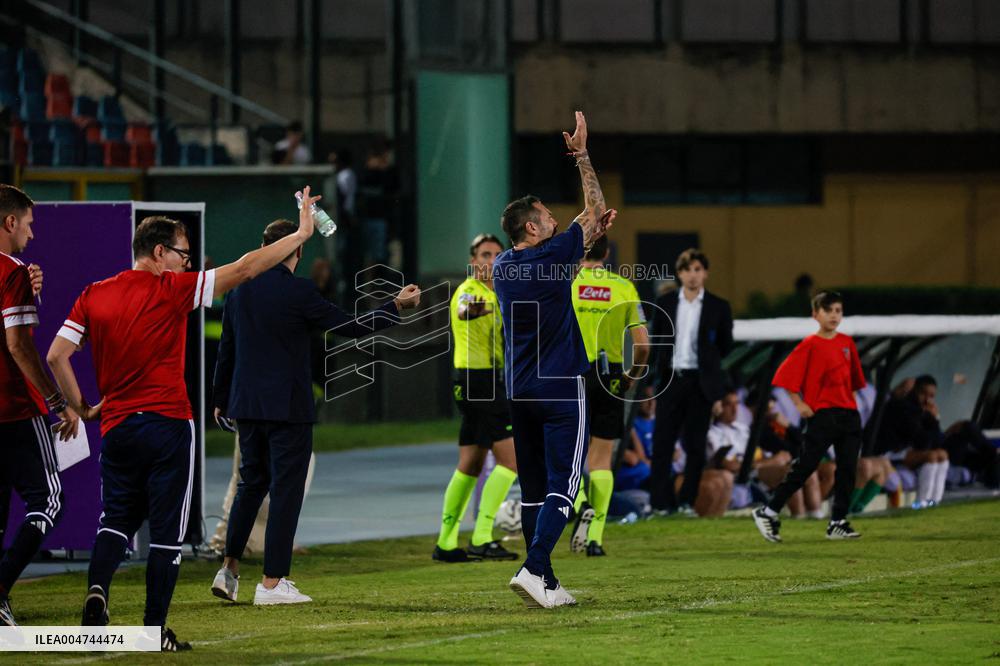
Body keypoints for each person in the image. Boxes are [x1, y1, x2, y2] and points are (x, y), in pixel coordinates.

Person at [46, 186, 324, 650]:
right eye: (182, 253)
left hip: (117, 426)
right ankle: (154, 631)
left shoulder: (94, 294)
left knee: (115, 520)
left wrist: (80, 407)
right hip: (168, 423)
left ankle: (97, 594)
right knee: (167, 535)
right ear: (159, 252)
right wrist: (300, 232)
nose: (187, 262)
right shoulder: (171, 288)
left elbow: (57, 356)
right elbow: (245, 268)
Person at [210, 219, 420, 605]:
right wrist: (395, 306)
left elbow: (227, 348)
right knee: (286, 491)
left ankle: (229, 569)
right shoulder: (298, 291)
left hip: (247, 404)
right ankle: (273, 583)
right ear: (299, 250)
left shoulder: (238, 291)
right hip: (287, 407)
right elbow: (349, 326)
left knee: (250, 485)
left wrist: (221, 398)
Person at [493, 111, 615, 609]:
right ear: (531, 225)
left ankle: (543, 581)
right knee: (566, 485)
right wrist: (582, 155)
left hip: (519, 387)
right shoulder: (556, 253)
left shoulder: (502, 265)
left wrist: (581, 235)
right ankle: (533, 567)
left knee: (533, 489)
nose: (554, 219)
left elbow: (586, 223)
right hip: (562, 384)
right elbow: (597, 209)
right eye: (546, 215)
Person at [0, 184, 80, 627]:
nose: (31, 234)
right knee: (48, 499)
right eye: (28, 224)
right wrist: (57, 400)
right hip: (15, 406)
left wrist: (32, 295)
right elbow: (17, 344)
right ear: (10, 222)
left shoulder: (16, 276)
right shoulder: (11, 271)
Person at [752, 291, 866, 543]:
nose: (834, 315)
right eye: (828, 310)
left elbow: (856, 382)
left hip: (848, 415)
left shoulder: (847, 344)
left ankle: (837, 521)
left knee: (848, 469)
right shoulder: (808, 345)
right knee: (805, 467)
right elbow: (783, 377)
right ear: (816, 314)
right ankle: (768, 511)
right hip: (822, 416)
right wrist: (799, 404)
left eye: (838, 310)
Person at [433, 233, 519, 563]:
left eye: (498, 255)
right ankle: (482, 537)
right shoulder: (469, 291)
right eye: (485, 254)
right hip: (478, 381)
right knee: (512, 461)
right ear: (473, 261)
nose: (492, 260)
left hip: (475, 382)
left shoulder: (493, 292)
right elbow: (466, 310)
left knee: (470, 464)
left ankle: (446, 541)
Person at [569, 234, 649, 556]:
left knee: (562, 454)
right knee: (601, 459)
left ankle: (581, 504)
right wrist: (631, 375)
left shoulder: (567, 283)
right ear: (607, 253)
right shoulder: (623, 287)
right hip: (611, 375)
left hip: (571, 373)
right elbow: (643, 346)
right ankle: (596, 539)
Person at [648, 249, 733, 515]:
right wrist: (653, 381)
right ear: (680, 273)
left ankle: (686, 501)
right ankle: (660, 504)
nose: (693, 275)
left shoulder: (719, 307)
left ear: (705, 273)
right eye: (688, 270)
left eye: (698, 269)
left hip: (700, 383)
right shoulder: (665, 303)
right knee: (663, 442)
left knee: (695, 445)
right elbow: (656, 343)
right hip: (671, 379)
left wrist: (713, 380)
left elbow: (725, 346)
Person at [873, 375, 949, 509]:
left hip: (905, 453)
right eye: (923, 394)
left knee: (942, 454)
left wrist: (935, 419)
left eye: (931, 396)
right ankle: (921, 503)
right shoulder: (903, 407)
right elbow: (922, 442)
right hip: (888, 454)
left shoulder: (922, 411)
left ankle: (934, 501)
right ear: (914, 390)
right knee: (931, 456)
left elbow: (938, 442)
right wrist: (932, 418)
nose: (927, 400)